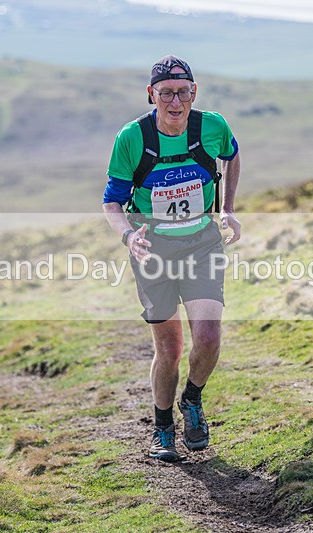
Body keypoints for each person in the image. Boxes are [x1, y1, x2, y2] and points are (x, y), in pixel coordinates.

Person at [102, 55, 241, 462]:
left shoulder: (212, 126)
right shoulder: (132, 138)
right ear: (152, 95)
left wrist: (227, 207)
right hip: (153, 251)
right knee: (170, 349)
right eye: (166, 94)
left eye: (183, 93)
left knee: (209, 338)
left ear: (193, 93)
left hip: (202, 244)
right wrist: (128, 237)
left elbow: (231, 156)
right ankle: (163, 428)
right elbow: (112, 202)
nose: (175, 102)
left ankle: (192, 400)